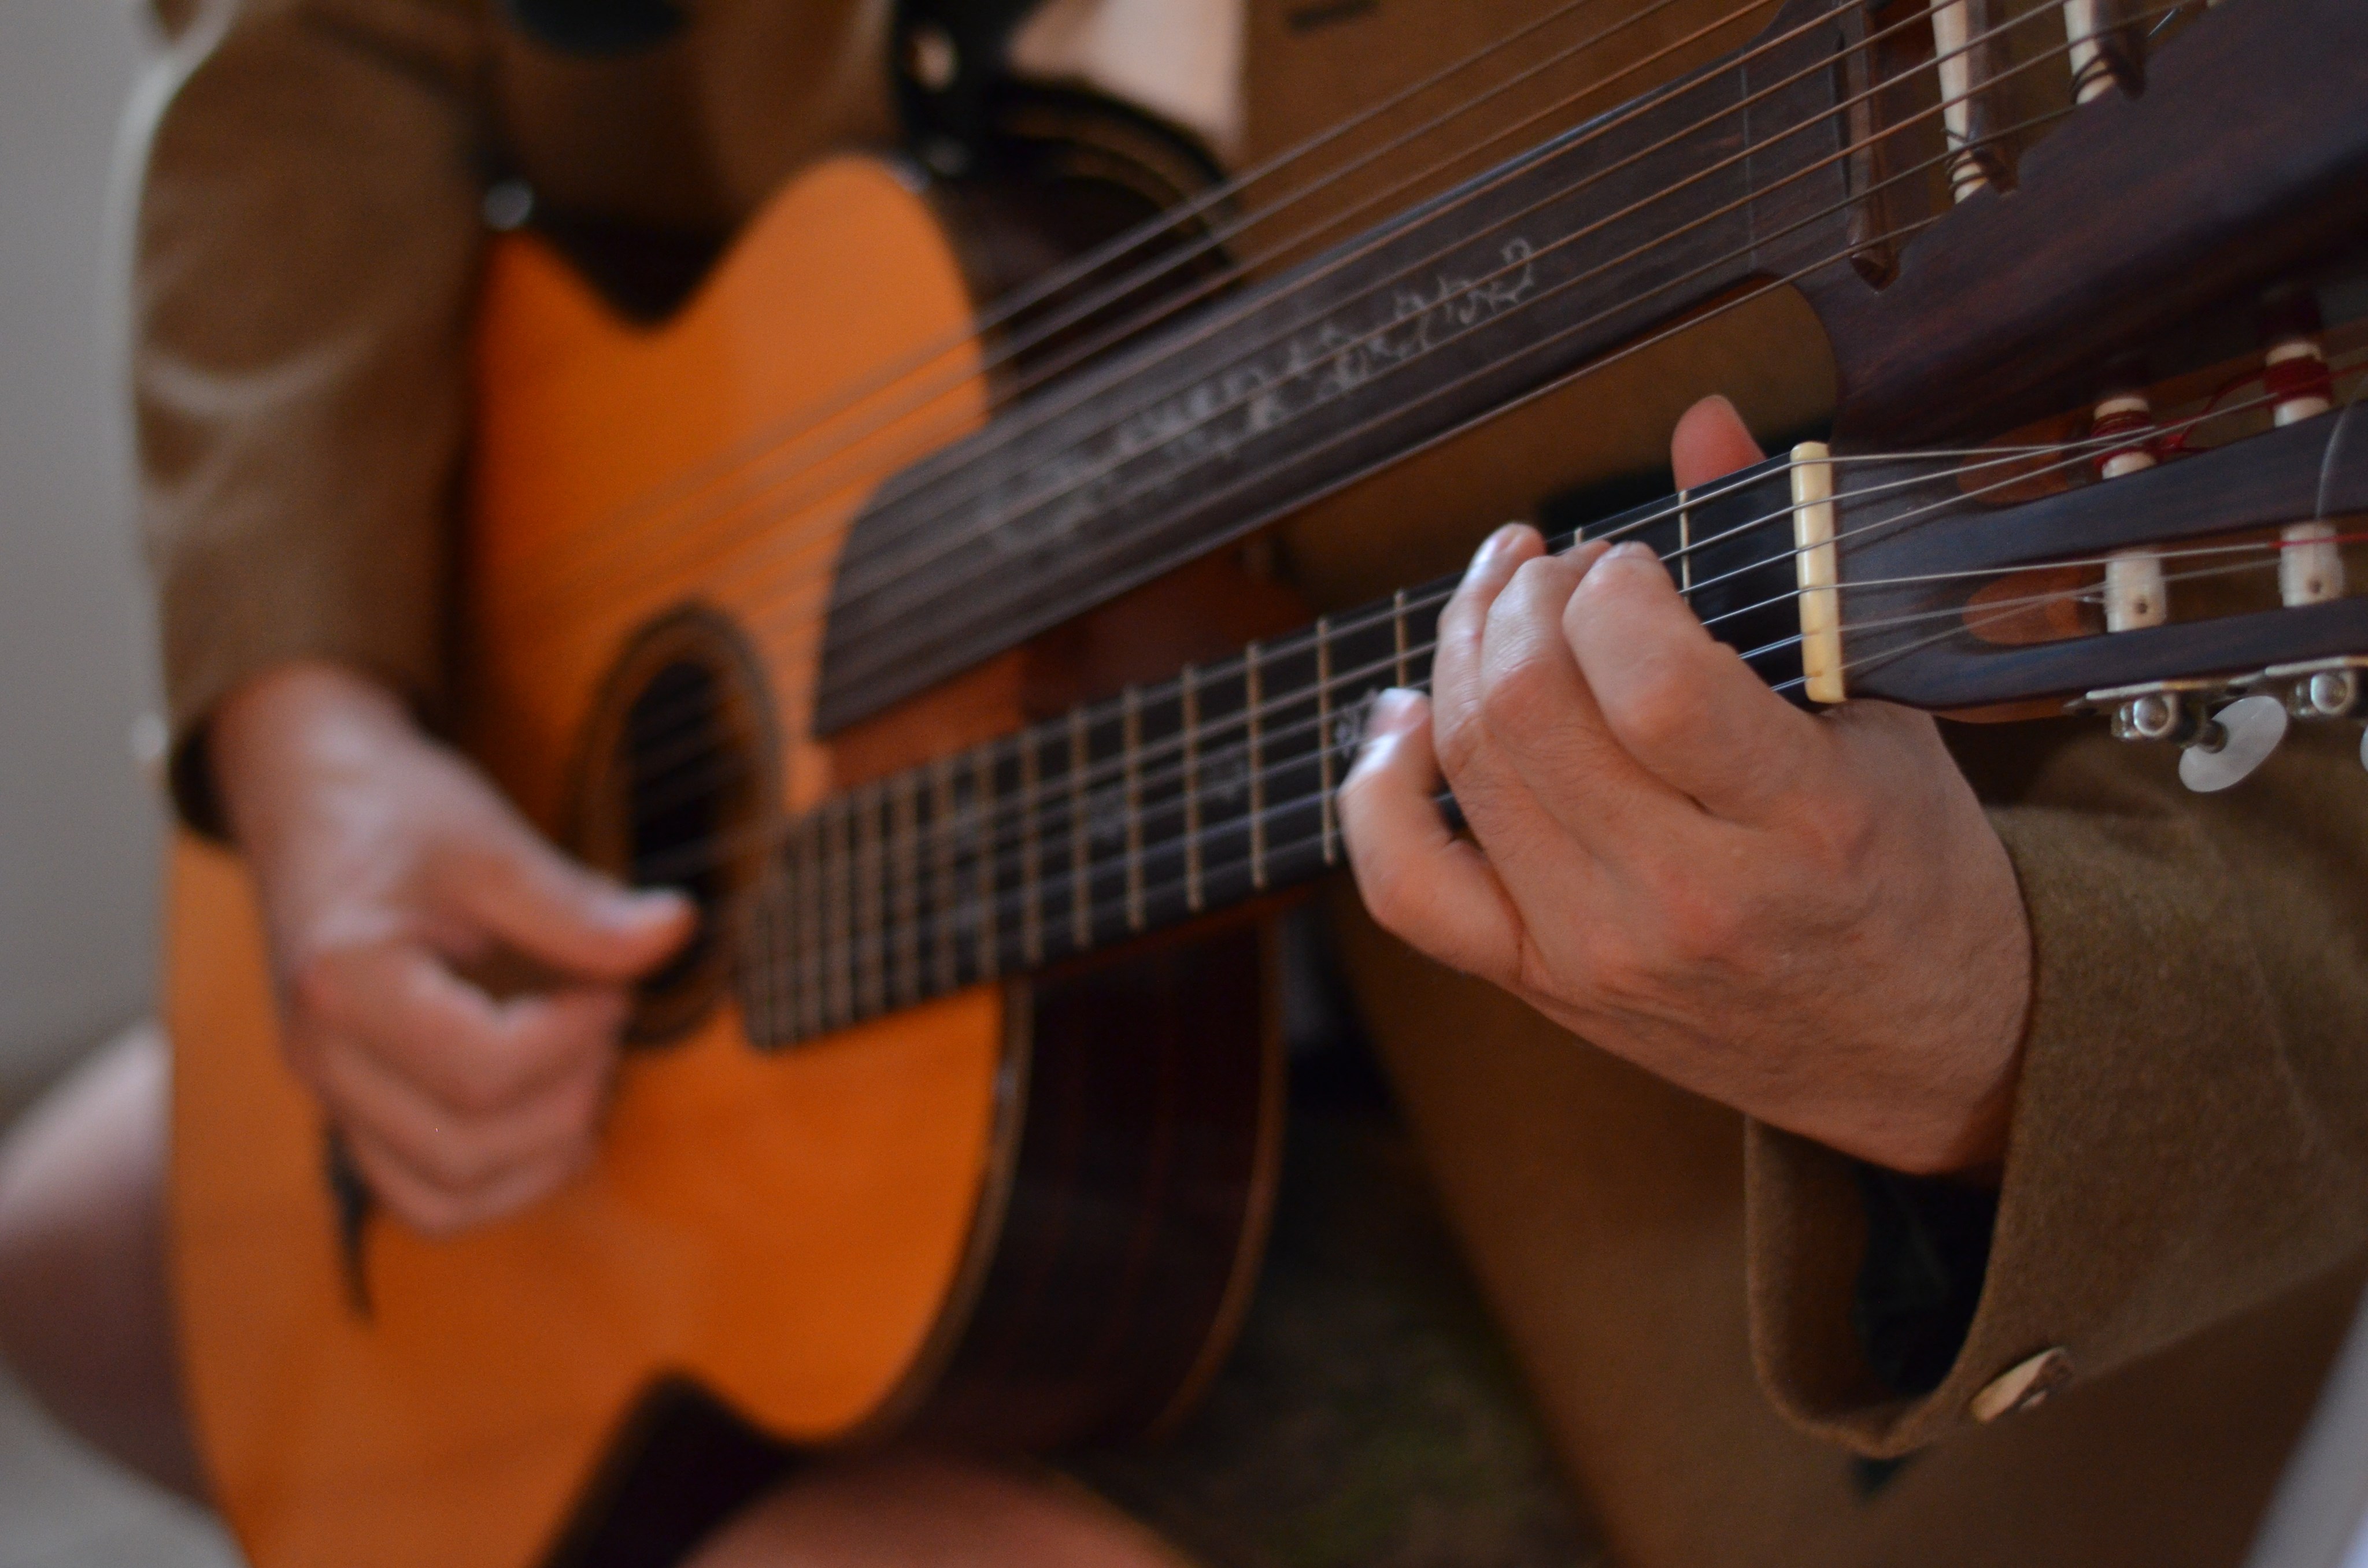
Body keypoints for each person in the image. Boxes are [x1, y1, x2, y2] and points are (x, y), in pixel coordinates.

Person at [3, 0, 2366, 1563]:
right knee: (99, 1240)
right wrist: (309, 719)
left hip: (1657, 1226)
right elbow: (323, 40)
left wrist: (1979, 1022)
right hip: (880, 812)